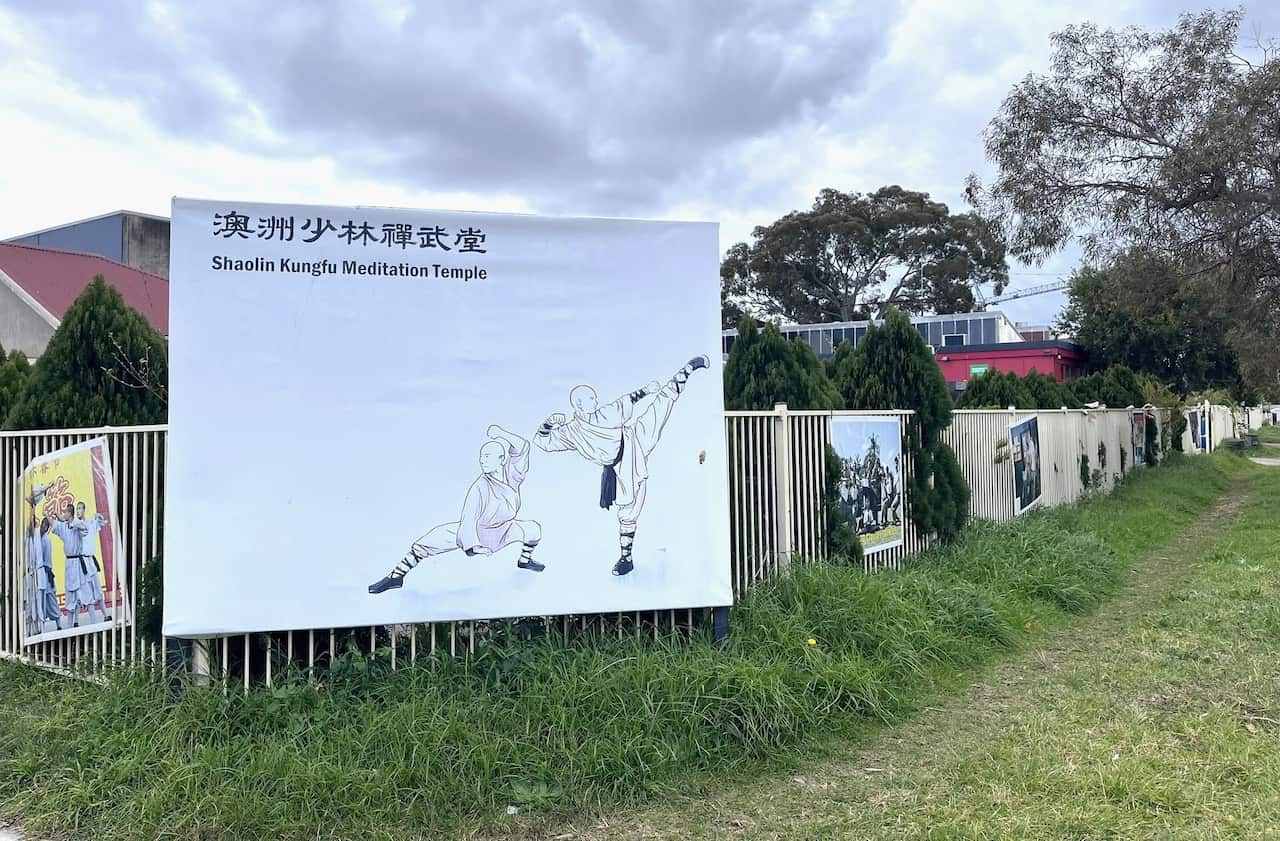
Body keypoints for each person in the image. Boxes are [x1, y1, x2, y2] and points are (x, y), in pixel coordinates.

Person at [534, 355, 709, 576]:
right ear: (579, 404)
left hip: (634, 439)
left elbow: (626, 401)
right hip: (620, 467)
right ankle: (626, 559)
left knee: (661, 405)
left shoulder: (604, 413)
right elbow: (542, 442)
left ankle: (686, 371)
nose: (595, 402)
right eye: (591, 399)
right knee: (627, 514)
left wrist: (647, 390)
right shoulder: (571, 431)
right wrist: (548, 424)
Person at [369, 425, 543, 594]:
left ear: (502, 459)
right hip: (479, 533)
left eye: (488, 456)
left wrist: (500, 433)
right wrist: (473, 546)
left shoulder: (512, 476)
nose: (483, 460)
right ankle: (396, 576)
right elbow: (469, 518)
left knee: (533, 529)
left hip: (505, 529)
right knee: (425, 543)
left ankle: (524, 561)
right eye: (482, 457)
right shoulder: (479, 487)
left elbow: (522, 446)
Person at [74, 501, 112, 622]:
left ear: (84, 509)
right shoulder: (76, 525)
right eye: (77, 509)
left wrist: (98, 516)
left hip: (91, 560)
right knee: (87, 591)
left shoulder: (90, 523)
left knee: (97, 588)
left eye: (80, 508)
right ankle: (93, 620)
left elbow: (103, 522)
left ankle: (106, 615)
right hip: (83, 562)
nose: (78, 511)